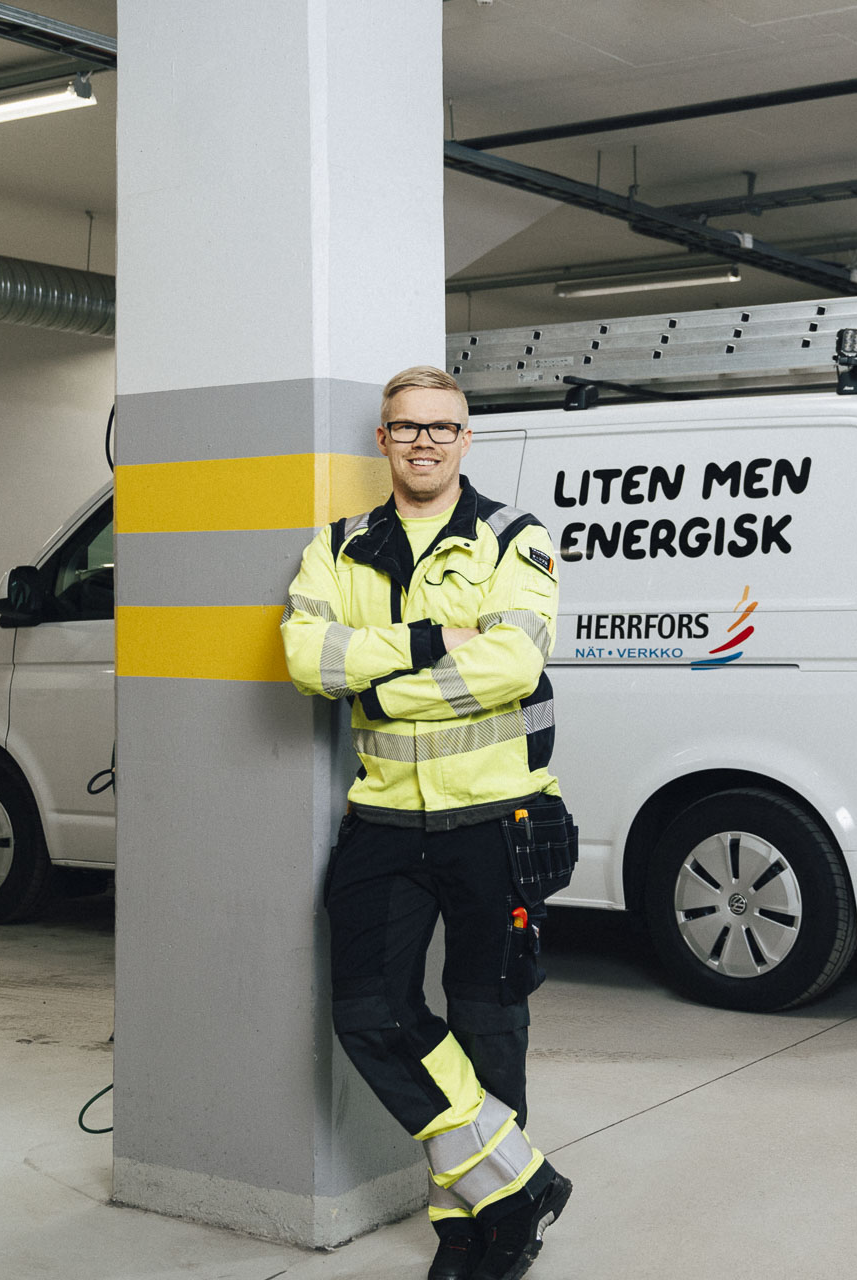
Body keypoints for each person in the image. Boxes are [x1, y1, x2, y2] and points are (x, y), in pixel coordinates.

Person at [281, 365, 573, 1280]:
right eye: (406, 427)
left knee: (489, 1019)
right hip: (384, 821)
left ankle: (476, 1225)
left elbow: (512, 665)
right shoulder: (338, 547)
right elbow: (305, 659)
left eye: (441, 427)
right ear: (383, 439)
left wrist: (378, 684)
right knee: (368, 1012)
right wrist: (428, 641)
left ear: (465, 438)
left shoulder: (514, 539)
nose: (424, 442)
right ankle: (518, 1183)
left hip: (494, 817)